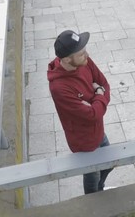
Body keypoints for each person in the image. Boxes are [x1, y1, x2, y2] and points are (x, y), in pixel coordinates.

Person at [47, 30, 113, 194]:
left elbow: (104, 84)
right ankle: (93, 203)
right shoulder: (59, 88)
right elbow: (92, 115)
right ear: (67, 59)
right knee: (92, 176)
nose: (87, 55)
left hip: (98, 131)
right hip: (83, 140)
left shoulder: (84, 61)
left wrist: (96, 95)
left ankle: (100, 189)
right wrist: (98, 93)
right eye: (82, 53)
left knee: (109, 163)